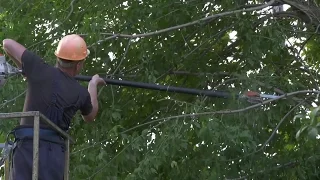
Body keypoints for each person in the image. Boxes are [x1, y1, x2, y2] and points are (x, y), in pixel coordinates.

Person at [2, 34, 106, 180]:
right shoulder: (80, 93)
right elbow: (90, 115)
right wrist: (93, 85)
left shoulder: (37, 68)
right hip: (53, 156)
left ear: (58, 57)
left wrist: (25, 69)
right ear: (78, 65)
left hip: (26, 150)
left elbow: (7, 43)